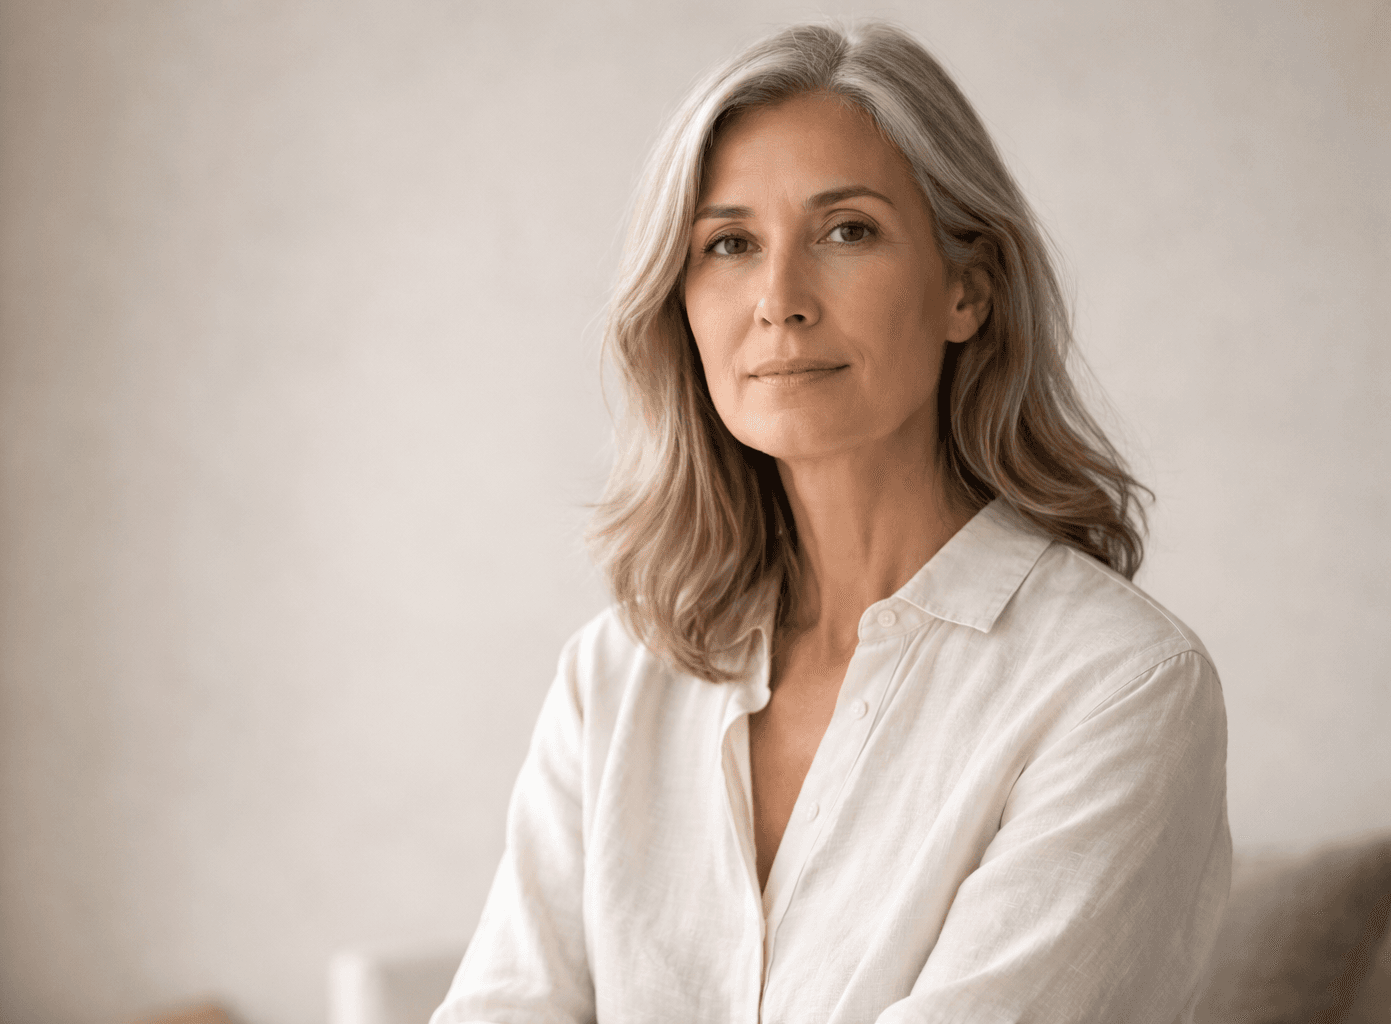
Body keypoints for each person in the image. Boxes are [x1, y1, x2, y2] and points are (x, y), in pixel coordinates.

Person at [433, 21, 1229, 1024]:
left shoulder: (1121, 686)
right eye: (729, 245)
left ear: (968, 289)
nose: (779, 300)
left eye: (846, 231)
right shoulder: (614, 679)